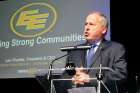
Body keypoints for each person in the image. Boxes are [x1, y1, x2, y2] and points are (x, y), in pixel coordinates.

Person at [55, 11, 127, 93]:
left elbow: (120, 74)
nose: (87, 27)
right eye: (86, 24)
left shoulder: (115, 49)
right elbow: (64, 77)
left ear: (103, 30)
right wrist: (73, 79)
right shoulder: (75, 51)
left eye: (91, 24)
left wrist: (90, 78)